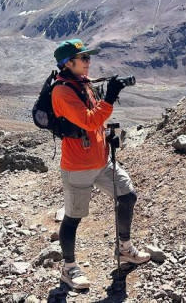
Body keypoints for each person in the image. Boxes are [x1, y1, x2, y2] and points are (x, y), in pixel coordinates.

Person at [50, 38, 150, 290]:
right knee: (73, 217)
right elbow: (89, 120)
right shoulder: (61, 91)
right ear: (67, 63)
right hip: (78, 166)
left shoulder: (83, 84)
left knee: (127, 196)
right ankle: (69, 268)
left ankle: (124, 248)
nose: (88, 62)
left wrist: (106, 136)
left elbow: (96, 122)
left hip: (101, 160)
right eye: (83, 58)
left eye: (88, 57)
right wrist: (111, 97)